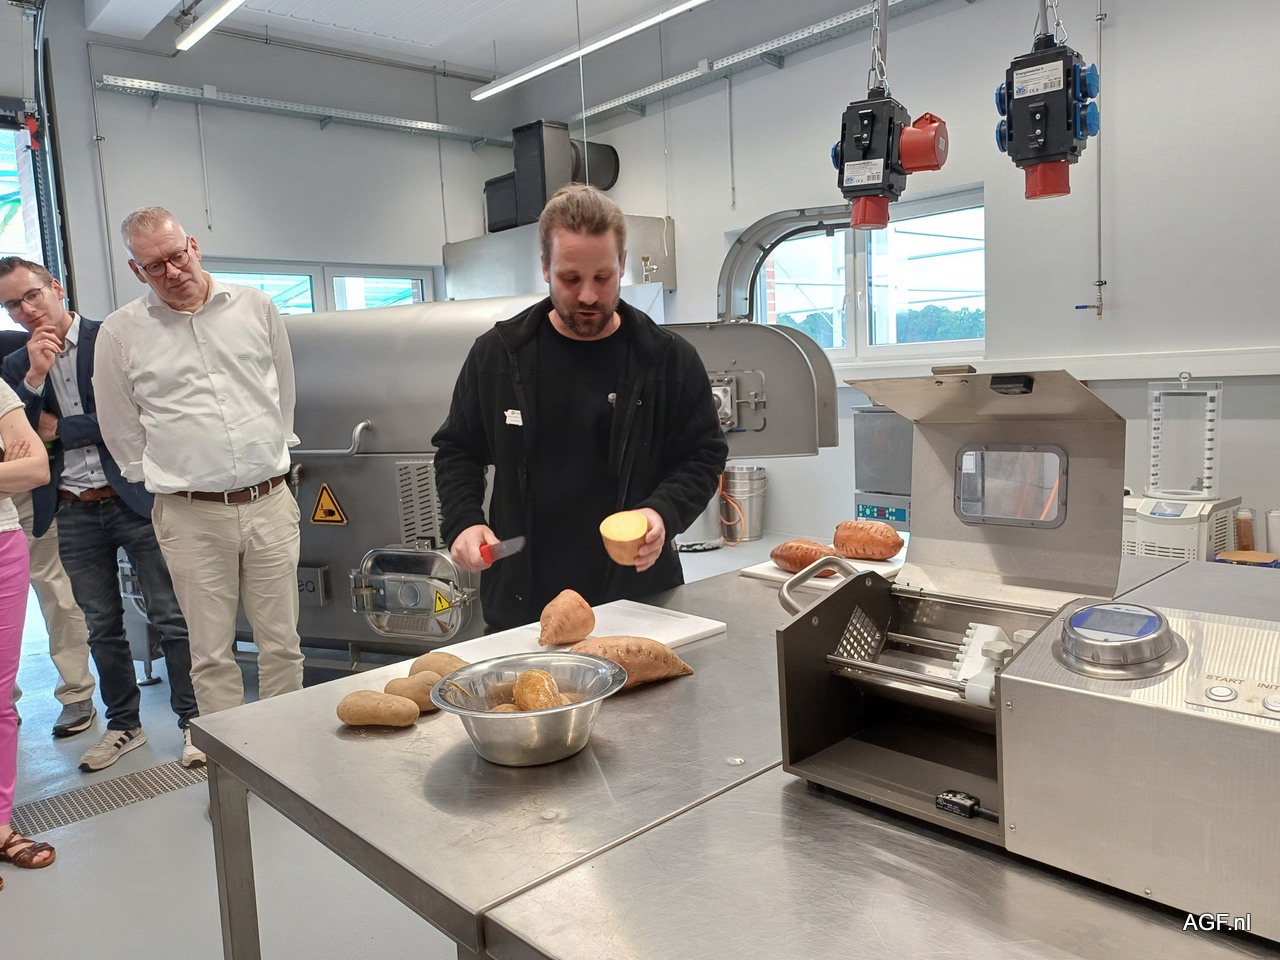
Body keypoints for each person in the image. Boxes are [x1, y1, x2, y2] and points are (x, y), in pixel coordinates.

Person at [432, 184, 728, 631]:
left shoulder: (667, 360)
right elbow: (458, 449)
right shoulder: (498, 356)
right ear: (545, 268)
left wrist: (662, 513)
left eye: (603, 277)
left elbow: (703, 455)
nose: (588, 295)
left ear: (622, 265)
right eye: (571, 279)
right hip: (523, 607)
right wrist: (464, 522)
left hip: (640, 600)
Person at [94, 207, 304, 716]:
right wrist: (177, 477)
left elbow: (283, 393)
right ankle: (227, 760)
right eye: (154, 266)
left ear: (194, 246)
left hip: (269, 503)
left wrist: (266, 457)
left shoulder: (256, 307)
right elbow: (121, 430)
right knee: (210, 654)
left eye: (176, 256)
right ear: (136, 270)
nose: (172, 272)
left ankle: (287, 751)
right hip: (190, 514)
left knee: (282, 645)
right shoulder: (120, 333)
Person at [0, 257, 202, 771]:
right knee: (101, 626)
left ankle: (193, 724)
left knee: (170, 617)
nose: (26, 310)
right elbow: (19, 441)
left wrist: (62, 430)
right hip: (71, 509)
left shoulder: (113, 337)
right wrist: (36, 378)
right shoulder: (15, 367)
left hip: (135, 498)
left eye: (31, 295)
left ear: (56, 287)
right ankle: (124, 725)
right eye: (12, 305)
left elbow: (140, 415)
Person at [3, 317, 97, 738]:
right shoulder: (15, 355)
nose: (21, 309)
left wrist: (18, 459)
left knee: (56, 592)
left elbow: (31, 443)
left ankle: (77, 691)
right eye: (11, 303)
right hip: (12, 480)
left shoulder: (15, 348)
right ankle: (5, 700)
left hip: (31, 495)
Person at [0, 369, 58, 887]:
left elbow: (36, 467)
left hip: (3, 549)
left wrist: (17, 467)